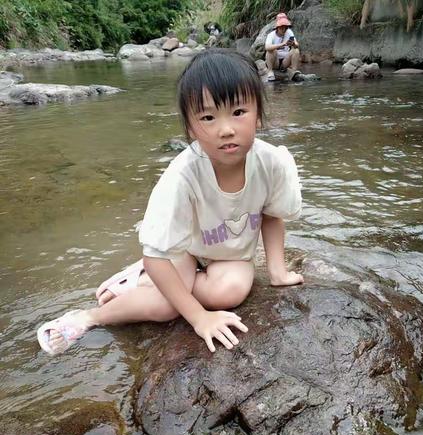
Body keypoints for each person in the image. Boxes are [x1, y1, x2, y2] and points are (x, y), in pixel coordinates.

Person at [37, 49, 303, 356]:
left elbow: (271, 215)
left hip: (230, 254)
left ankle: (155, 284)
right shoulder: (182, 174)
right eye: (208, 117)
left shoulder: (270, 163)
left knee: (231, 292)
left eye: (238, 112)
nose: (226, 129)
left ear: (258, 114)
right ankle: (89, 317)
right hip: (185, 249)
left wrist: (278, 271)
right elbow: (156, 257)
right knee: (165, 307)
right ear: (190, 128)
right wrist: (198, 317)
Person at [264, 13, 301, 82]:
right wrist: (282, 44)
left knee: (296, 50)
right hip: (275, 62)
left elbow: (297, 45)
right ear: (277, 27)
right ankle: (270, 71)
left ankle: (293, 71)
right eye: (282, 27)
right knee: (272, 50)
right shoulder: (271, 35)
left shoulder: (289, 32)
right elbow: (267, 47)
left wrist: (293, 44)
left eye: (285, 27)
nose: (284, 29)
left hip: (285, 61)